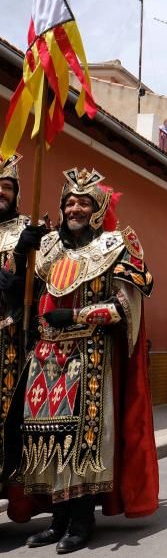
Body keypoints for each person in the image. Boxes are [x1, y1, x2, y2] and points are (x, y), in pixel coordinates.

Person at [6, 167, 157, 552]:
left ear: (97, 208)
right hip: (45, 354)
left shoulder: (117, 244)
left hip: (90, 354)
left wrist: (77, 316)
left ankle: (81, 521)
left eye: (83, 202)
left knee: (83, 442)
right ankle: (57, 520)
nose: (74, 208)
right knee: (46, 439)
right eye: (69, 202)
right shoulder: (49, 248)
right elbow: (18, 291)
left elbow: (126, 304)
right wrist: (25, 249)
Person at [0, 154, 45, 496]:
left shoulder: (28, 229)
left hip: (11, 338)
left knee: (9, 422)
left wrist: (21, 258)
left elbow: (43, 284)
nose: (1, 192)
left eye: (7, 187)